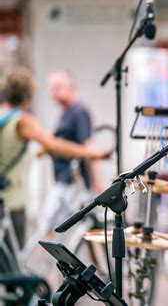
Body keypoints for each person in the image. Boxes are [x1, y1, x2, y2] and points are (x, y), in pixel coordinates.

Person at [0, 67, 109, 247]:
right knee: (13, 263)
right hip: (11, 200)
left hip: (14, 196)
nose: (52, 92)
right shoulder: (23, 120)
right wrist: (94, 153)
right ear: (29, 94)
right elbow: (55, 144)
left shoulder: (5, 115)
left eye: (56, 87)